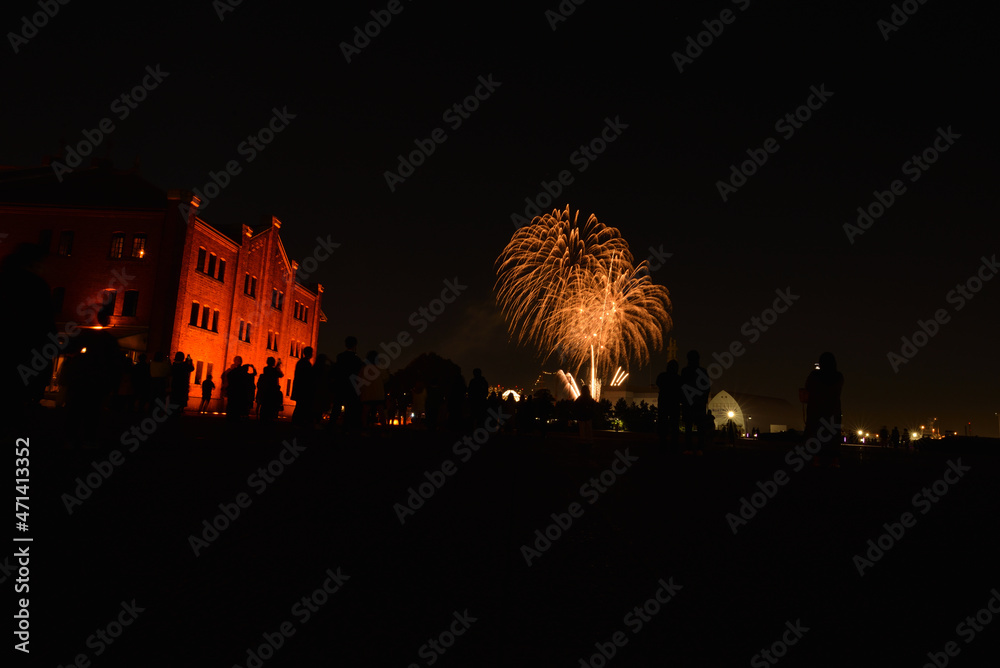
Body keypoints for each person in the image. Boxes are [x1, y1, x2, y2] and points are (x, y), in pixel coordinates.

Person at [804, 352, 844, 468]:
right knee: (833, 437)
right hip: (833, 410)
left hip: (817, 410)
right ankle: (834, 461)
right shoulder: (838, 376)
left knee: (816, 434)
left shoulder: (814, 376)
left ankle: (816, 459)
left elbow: (808, 386)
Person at [680, 350, 709, 450]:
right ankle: (700, 448)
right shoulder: (703, 371)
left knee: (688, 427)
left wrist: (683, 400)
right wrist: (704, 400)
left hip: (688, 403)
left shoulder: (685, 371)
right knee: (700, 428)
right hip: (699, 403)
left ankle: (688, 448)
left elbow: (682, 386)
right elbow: (706, 387)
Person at [335, 337, 364, 433]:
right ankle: (346, 427)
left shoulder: (340, 357)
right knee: (349, 407)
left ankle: (332, 425)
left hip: (340, 384)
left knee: (337, 405)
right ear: (355, 345)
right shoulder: (357, 360)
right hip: (351, 386)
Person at [656, 360, 682, 453]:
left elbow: (658, 383)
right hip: (674, 403)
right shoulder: (679, 379)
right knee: (674, 424)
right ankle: (674, 444)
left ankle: (662, 443)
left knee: (662, 423)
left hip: (663, 402)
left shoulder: (662, 376)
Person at [359, 351, 387, 430]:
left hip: (367, 394)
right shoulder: (381, 368)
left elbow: (359, 380)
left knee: (365, 412)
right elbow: (386, 379)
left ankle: (364, 429)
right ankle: (384, 430)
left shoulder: (363, 369)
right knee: (381, 412)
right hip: (378, 394)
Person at [292, 346, 315, 427]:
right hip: (303, 390)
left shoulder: (300, 362)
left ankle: (296, 422)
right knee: (301, 406)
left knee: (299, 406)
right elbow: (308, 378)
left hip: (299, 389)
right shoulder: (306, 364)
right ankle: (297, 423)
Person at [258, 357, 284, 422]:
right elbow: (281, 375)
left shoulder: (266, 369)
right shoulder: (271, 370)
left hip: (266, 391)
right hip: (271, 392)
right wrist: (277, 367)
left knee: (265, 407)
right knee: (270, 408)